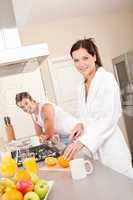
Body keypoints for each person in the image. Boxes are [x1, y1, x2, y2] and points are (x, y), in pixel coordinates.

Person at [63, 38, 133, 178]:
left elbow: (108, 118)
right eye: (76, 60)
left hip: (112, 150)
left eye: (85, 58)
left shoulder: (106, 79)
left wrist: (82, 142)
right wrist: (80, 124)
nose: (81, 64)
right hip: (95, 153)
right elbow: (86, 115)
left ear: (94, 56)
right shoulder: (81, 87)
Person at [15, 92, 81, 145]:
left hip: (75, 132)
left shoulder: (45, 107)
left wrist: (43, 137)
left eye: (26, 103)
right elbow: (39, 135)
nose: (25, 108)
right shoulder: (33, 115)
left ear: (31, 100)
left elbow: (49, 133)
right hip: (64, 137)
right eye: (22, 107)